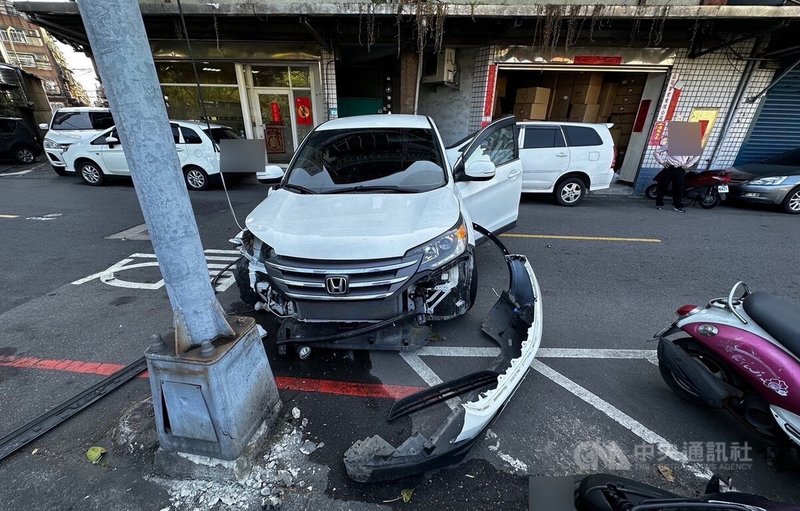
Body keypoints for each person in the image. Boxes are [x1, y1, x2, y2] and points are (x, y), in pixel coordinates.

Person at [653, 137, 700, 213]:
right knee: (662, 186)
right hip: (668, 168)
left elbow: (697, 155)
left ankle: (677, 206)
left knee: (678, 188)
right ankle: (659, 204)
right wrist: (662, 162)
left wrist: (688, 164)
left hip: (679, 169)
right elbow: (656, 152)